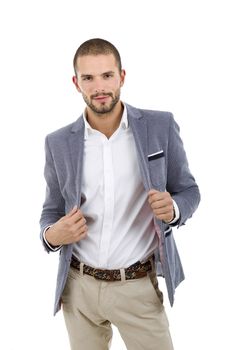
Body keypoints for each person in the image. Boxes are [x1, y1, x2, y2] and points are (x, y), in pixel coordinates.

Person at [39, 38, 200, 350]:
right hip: (79, 288)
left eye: (107, 75)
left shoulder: (159, 126)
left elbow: (189, 190)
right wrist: (52, 235)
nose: (99, 87)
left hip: (137, 286)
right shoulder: (57, 142)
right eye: (88, 78)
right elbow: (51, 210)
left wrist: (174, 209)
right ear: (76, 83)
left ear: (122, 77)